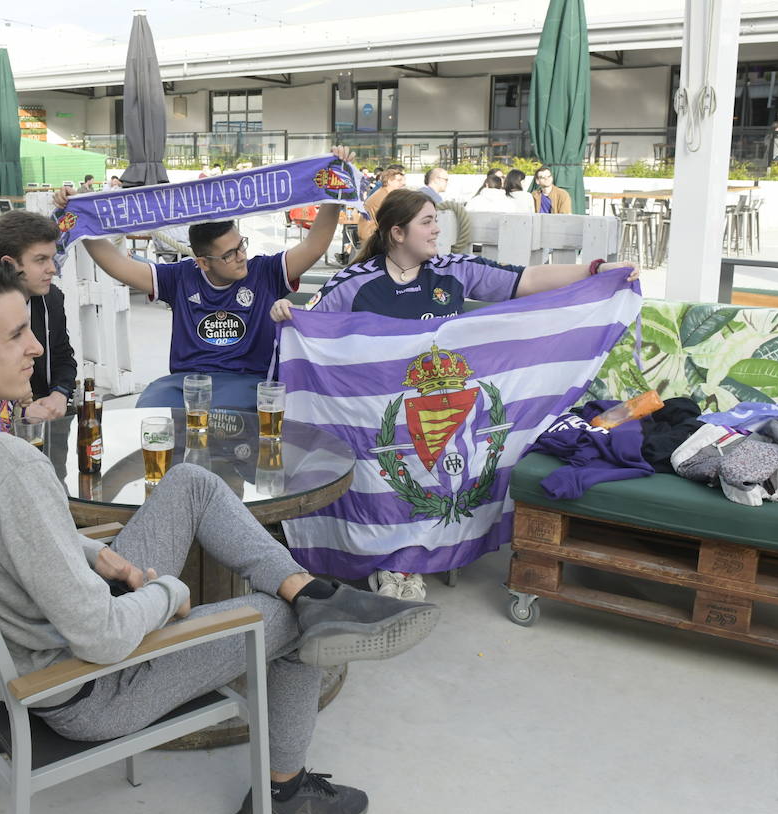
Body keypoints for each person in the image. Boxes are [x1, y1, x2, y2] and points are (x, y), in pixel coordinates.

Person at [0, 257, 439, 814]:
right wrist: (168, 591)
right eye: (17, 334)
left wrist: (99, 555)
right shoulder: (6, 466)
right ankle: (286, 790)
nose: (36, 349)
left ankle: (310, 589)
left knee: (191, 482)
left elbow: (3, 538)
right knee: (291, 622)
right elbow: (99, 634)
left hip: (38, 634)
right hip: (84, 688)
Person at [270, 188, 639, 599]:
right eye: (426, 222)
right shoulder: (355, 283)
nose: (436, 229)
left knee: (467, 462)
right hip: (380, 418)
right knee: (384, 469)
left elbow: (526, 279)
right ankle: (394, 564)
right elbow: (309, 325)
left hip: (449, 414)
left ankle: (421, 556)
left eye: (435, 220)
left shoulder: (455, 270)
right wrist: (286, 313)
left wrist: (597, 269)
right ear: (397, 233)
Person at [53, 145, 355, 410]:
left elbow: (314, 246)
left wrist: (332, 193)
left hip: (247, 383)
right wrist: (83, 224)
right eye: (229, 254)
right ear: (202, 262)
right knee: (146, 409)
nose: (241, 256)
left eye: (241, 246)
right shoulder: (182, 276)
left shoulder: (265, 271)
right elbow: (118, 265)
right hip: (186, 383)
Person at [0, 210, 76, 421]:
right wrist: (21, 412)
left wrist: (59, 394)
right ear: (9, 264)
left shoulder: (51, 298)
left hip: (42, 411)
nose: (52, 269)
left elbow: (63, 358)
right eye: (40, 260)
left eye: (52, 258)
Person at [358, 165, 406, 241]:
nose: (403, 183)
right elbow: (393, 221)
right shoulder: (384, 197)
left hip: (374, 235)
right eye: (399, 180)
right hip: (373, 239)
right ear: (390, 181)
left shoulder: (384, 193)